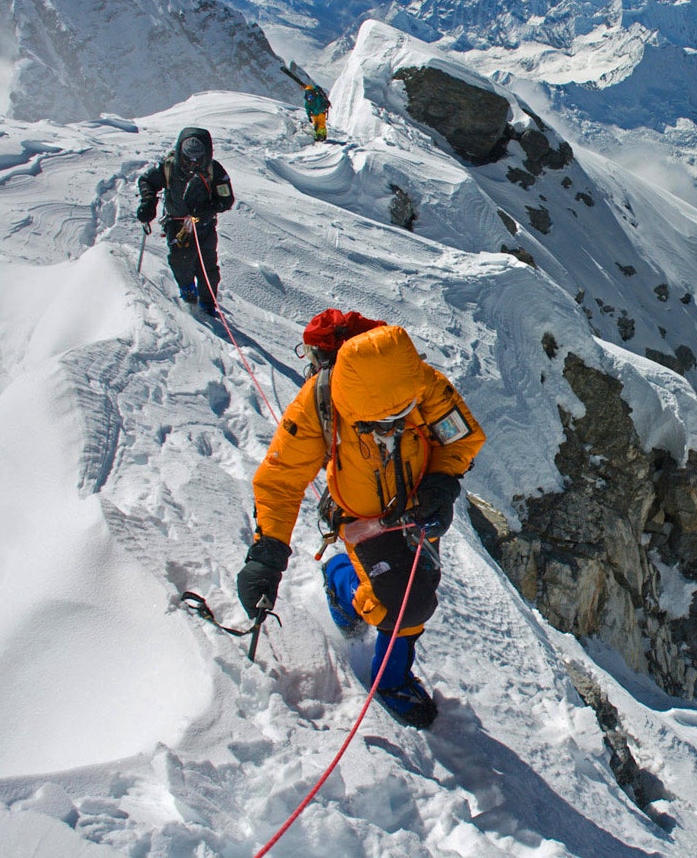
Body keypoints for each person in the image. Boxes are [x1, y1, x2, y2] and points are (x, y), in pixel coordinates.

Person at [238, 310, 486, 728]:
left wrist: (442, 483)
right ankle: (387, 673)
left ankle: (342, 582)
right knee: (405, 605)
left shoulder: (423, 384)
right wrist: (267, 553)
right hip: (361, 517)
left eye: (399, 415)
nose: (388, 427)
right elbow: (281, 479)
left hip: (416, 508)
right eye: (374, 423)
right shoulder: (320, 401)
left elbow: (460, 438)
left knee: (421, 586)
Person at [136, 127, 234, 316]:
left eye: (198, 157)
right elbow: (147, 181)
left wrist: (209, 208)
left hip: (204, 224)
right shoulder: (169, 167)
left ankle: (208, 304)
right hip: (177, 223)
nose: (193, 162)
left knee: (207, 268)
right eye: (189, 157)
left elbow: (226, 199)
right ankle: (187, 288)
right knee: (180, 260)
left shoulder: (215, 170)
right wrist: (148, 202)